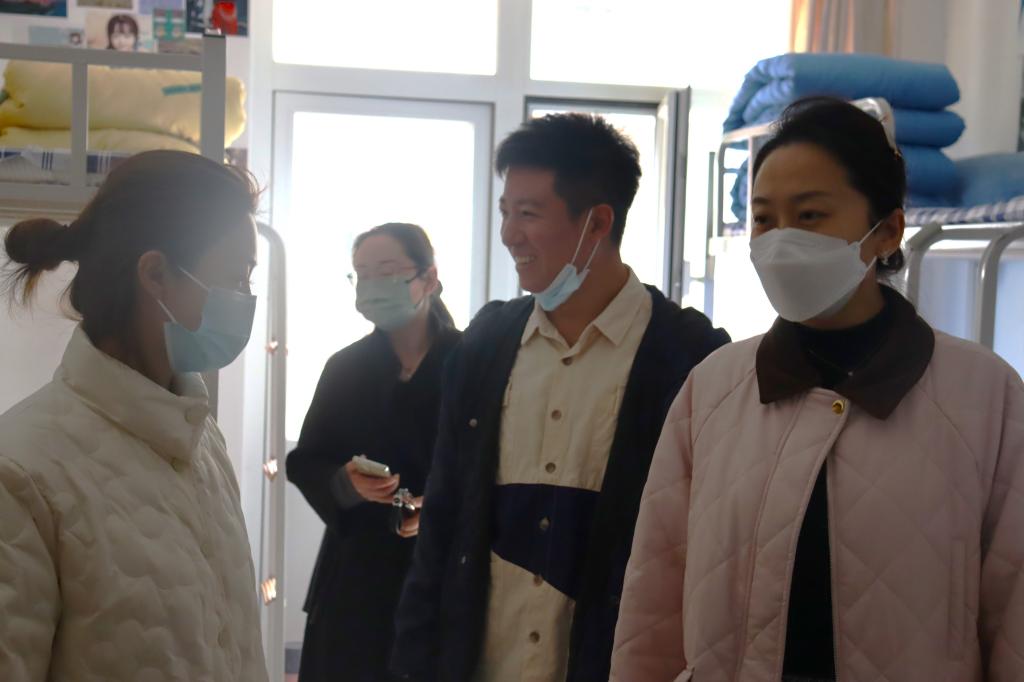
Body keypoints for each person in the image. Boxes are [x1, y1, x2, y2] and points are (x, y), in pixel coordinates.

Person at [610, 98, 1024, 682]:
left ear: (888, 232)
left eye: (809, 216)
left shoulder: (985, 397)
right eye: (763, 219)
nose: (781, 241)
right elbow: (652, 600)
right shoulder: (714, 389)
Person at [391, 113, 730, 682]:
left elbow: (704, 547)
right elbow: (444, 522)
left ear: (598, 222)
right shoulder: (485, 346)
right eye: (505, 211)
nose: (508, 234)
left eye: (528, 213)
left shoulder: (689, 357)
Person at [0, 150, 268, 681]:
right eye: (235, 279)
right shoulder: (21, 473)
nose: (245, 300)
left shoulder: (202, 439)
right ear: (156, 274)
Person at [286, 223, 461, 682]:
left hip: (444, 571)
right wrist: (346, 483)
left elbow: (496, 462)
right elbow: (305, 461)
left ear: (429, 277)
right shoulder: (345, 367)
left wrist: (440, 506)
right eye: (362, 274)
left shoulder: (470, 361)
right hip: (356, 577)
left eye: (386, 271)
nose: (372, 285)